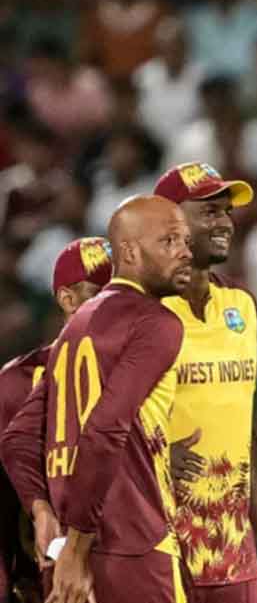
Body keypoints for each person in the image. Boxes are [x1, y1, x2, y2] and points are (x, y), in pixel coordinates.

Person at [0, 195, 193, 603]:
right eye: (170, 241)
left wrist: (43, 512)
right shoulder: (155, 323)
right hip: (130, 543)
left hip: (64, 550)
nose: (184, 252)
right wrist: (76, 547)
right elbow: (103, 430)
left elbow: (18, 437)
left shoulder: (71, 334)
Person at [151, 162, 257, 603]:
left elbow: (244, 438)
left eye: (226, 212)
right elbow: (96, 429)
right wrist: (152, 454)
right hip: (158, 552)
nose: (225, 223)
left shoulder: (242, 306)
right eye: (209, 212)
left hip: (232, 554)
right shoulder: (139, 311)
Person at [0, 237, 113, 602]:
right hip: (49, 574)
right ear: (67, 299)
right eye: (100, 294)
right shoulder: (19, 382)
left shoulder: (148, 370)